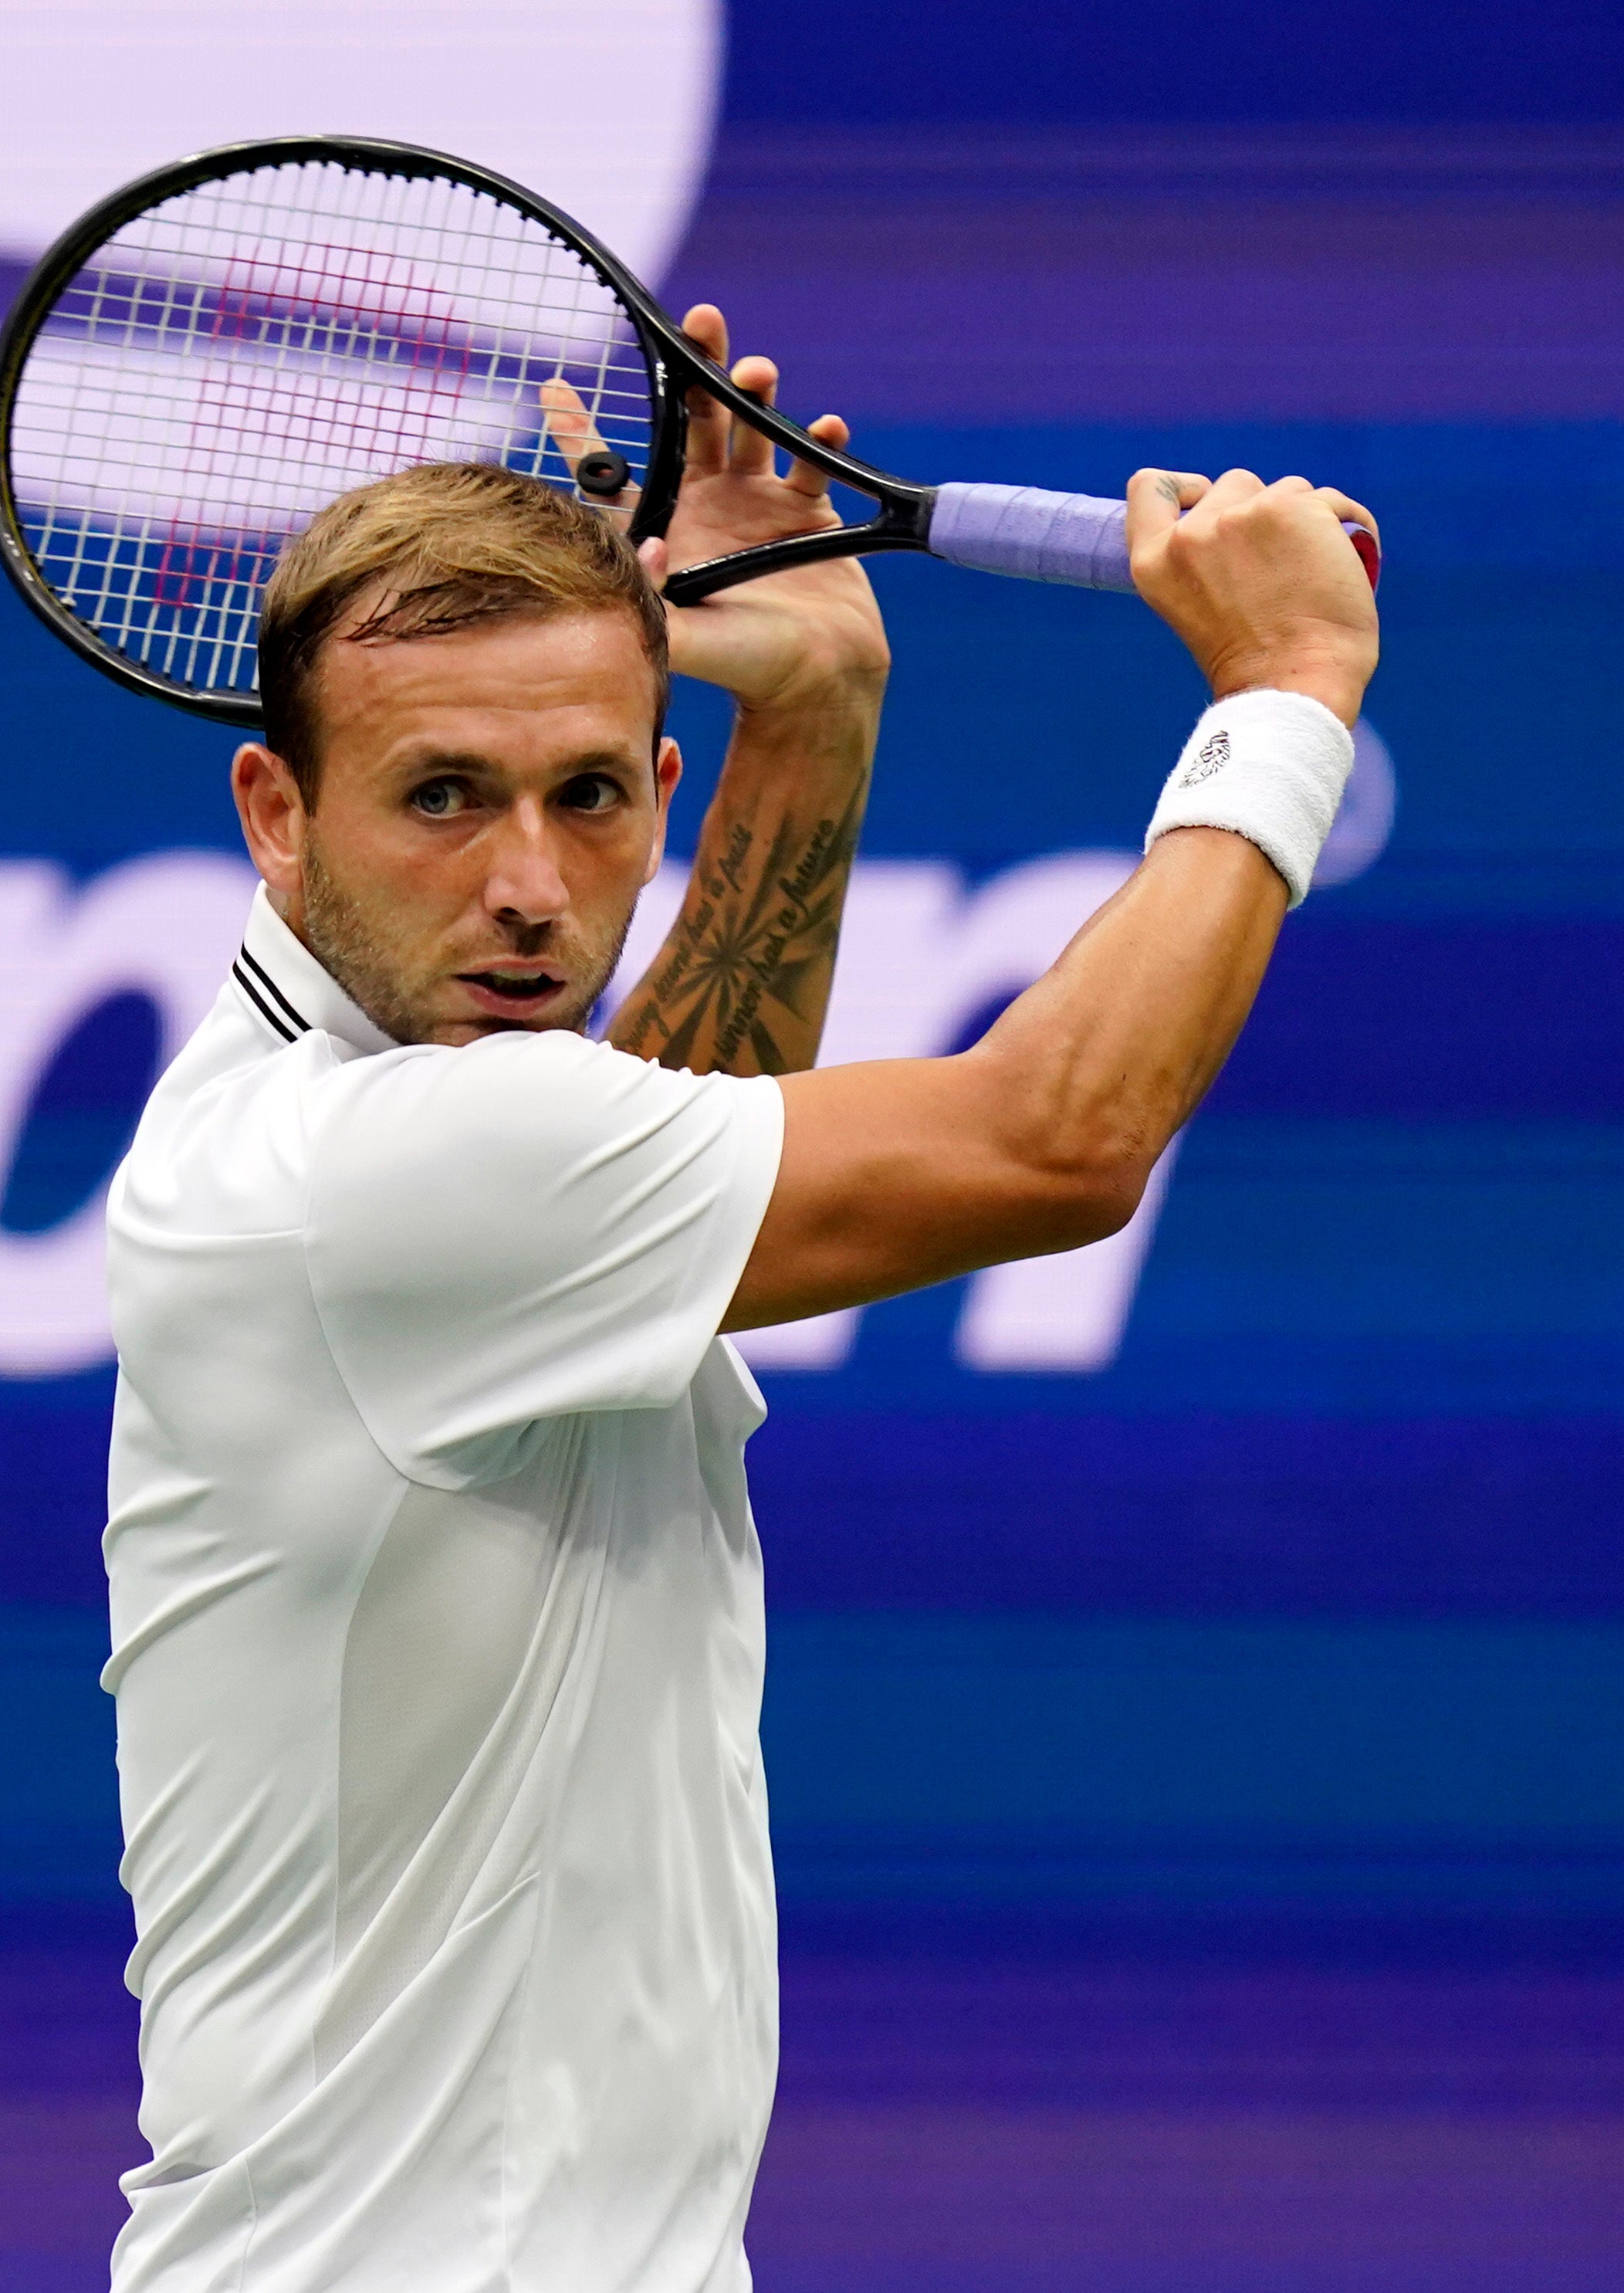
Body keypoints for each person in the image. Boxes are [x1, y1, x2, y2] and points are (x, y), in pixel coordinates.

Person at [100, 306, 1380, 2292]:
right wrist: (1289, 688)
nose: (530, 884)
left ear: (655, 779)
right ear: (276, 815)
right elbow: (1057, 1140)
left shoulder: (421, 1150)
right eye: (441, 797)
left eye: (592, 799)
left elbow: (663, 1159)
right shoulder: (360, 1175)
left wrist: (815, 714)